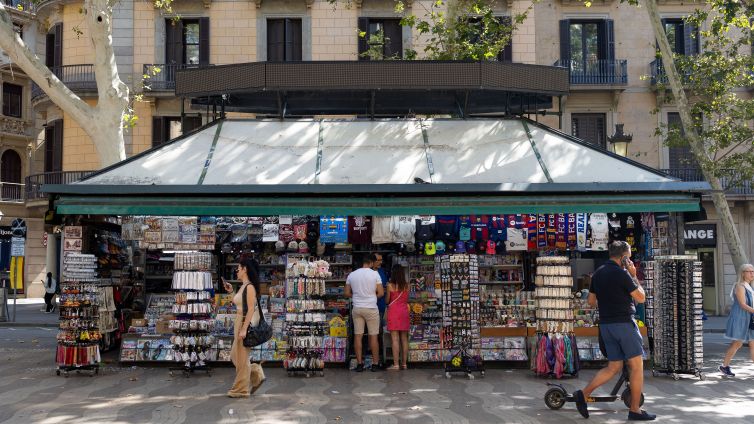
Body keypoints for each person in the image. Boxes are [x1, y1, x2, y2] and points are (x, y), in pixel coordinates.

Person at [573, 241, 655, 421]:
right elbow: (641, 298)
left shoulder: (598, 274)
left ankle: (583, 394)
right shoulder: (623, 274)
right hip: (624, 324)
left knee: (614, 366)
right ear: (624, 257)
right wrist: (634, 276)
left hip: (606, 326)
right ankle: (635, 410)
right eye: (629, 256)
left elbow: (591, 302)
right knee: (636, 367)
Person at [223, 258, 266, 398]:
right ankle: (256, 373)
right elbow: (239, 304)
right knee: (236, 356)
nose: (237, 271)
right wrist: (230, 292)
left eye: (238, 268)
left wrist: (244, 329)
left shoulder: (250, 287)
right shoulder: (243, 286)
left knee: (241, 358)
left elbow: (251, 309)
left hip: (243, 323)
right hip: (238, 322)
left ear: (245, 269)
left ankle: (241, 390)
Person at [345, 253, 385, 372]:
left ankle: (359, 364)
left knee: (358, 336)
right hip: (371, 308)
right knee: (373, 336)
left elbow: (346, 293)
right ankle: (375, 364)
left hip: (357, 308)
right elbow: (381, 293)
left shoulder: (352, 275)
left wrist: (358, 297)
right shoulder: (375, 274)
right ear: (372, 262)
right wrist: (370, 297)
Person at [719, 263, 754, 377]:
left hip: (750, 318)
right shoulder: (739, 286)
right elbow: (743, 304)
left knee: (753, 344)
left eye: (753, 271)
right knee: (737, 344)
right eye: (749, 271)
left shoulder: (750, 286)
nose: (752, 273)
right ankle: (724, 366)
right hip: (741, 318)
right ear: (743, 273)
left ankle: (724, 366)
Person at [386, 264, 410, 370]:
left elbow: (387, 301)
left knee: (395, 339)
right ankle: (404, 364)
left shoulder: (389, 286)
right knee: (404, 339)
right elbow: (406, 299)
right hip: (404, 312)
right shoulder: (407, 285)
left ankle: (396, 364)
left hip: (394, 312)